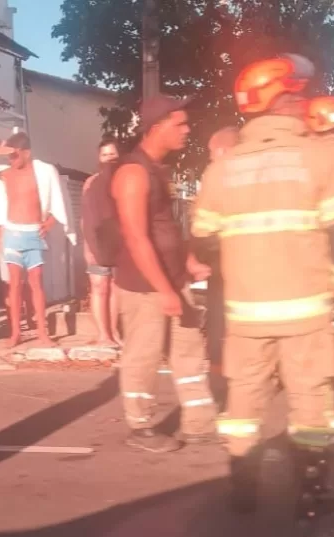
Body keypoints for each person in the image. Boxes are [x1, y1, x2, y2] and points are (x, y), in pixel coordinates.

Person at [192, 54, 334, 518]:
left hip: (246, 313)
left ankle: (242, 490)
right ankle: (310, 494)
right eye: (298, 98)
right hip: (308, 312)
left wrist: (246, 266)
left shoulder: (222, 169)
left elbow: (203, 238)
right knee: (312, 402)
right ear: (286, 101)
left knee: (244, 402)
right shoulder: (322, 158)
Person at [111, 94, 217, 454]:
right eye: (180, 124)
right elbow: (136, 237)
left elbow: (167, 227)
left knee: (188, 353)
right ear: (156, 127)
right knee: (143, 356)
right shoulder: (132, 173)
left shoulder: (158, 169)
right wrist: (165, 290)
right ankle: (140, 427)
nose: (187, 130)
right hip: (146, 288)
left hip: (174, 280)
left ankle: (199, 425)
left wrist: (189, 262)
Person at [0, 132, 64, 347]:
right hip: (13, 233)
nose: (11, 160)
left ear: (27, 152)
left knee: (36, 283)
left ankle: (42, 332)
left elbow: (56, 202)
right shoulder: (6, 173)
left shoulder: (42, 174)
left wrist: (50, 223)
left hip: (33, 232)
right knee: (15, 285)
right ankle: (16, 333)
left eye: (15, 155)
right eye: (9, 156)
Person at [204, 127, 239, 396]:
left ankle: (219, 385)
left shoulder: (217, 177)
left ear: (222, 150)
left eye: (210, 152)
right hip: (251, 267)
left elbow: (204, 228)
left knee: (218, 323)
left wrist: (198, 256)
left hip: (221, 262)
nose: (209, 158)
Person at [81, 137, 122, 347]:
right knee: (99, 287)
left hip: (120, 244)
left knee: (115, 288)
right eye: (105, 155)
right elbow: (85, 218)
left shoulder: (125, 179)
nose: (109, 158)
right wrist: (88, 247)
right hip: (97, 242)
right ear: (99, 158)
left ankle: (113, 332)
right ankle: (103, 335)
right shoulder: (91, 183)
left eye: (112, 154)